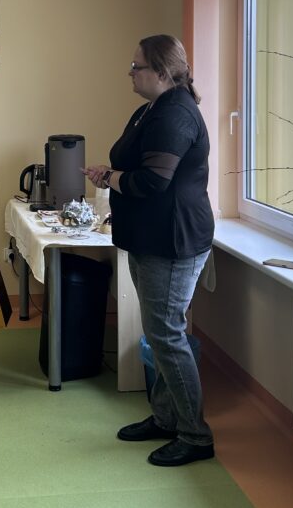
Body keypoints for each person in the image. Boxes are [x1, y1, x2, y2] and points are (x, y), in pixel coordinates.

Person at [83, 34, 215, 467]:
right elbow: (139, 166)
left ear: (161, 71)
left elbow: (154, 181)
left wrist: (110, 179)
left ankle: (195, 436)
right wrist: (112, 173)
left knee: (166, 335)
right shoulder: (152, 109)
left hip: (172, 241)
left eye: (136, 66)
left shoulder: (175, 114)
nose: (130, 72)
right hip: (149, 237)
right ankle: (165, 417)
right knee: (159, 333)